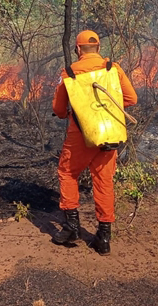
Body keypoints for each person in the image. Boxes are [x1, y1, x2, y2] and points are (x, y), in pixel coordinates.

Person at [51, 30, 138, 255]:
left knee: (68, 174)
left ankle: (72, 227)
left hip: (79, 135)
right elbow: (131, 99)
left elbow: (59, 110)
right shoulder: (113, 69)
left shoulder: (69, 73)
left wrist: (74, 113)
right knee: (104, 181)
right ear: (98, 48)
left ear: (78, 50)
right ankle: (104, 238)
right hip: (109, 134)